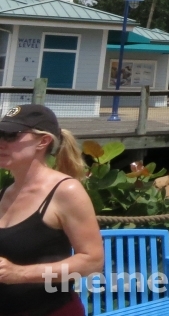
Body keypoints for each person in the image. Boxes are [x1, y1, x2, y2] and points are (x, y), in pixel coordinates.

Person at [0, 104, 104, 316]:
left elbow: (92, 261)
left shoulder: (66, 191)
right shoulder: (4, 193)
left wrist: (20, 274)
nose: (1, 142)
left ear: (43, 141)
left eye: (10, 135)